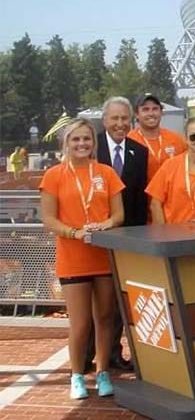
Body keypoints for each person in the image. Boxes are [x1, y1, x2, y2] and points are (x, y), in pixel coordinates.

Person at [39, 119, 124, 400]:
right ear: (66, 143)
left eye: (86, 139)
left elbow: (118, 215)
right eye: (76, 139)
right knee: (80, 323)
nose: (81, 144)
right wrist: (73, 233)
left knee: (104, 318)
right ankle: (76, 375)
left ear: (93, 142)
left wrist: (104, 225)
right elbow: (48, 218)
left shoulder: (106, 173)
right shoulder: (54, 174)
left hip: (103, 256)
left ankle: (102, 372)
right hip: (72, 257)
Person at [85, 96, 148, 373]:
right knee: (91, 303)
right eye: (115, 118)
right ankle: (86, 355)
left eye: (125, 119)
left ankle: (112, 353)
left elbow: (136, 200)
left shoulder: (139, 151)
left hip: (127, 240)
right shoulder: (89, 147)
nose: (120, 124)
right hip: (92, 239)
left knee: (119, 302)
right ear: (104, 120)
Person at [127, 94, 187, 183]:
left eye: (155, 109)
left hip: (170, 195)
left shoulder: (176, 139)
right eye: (145, 109)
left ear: (161, 112)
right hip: (142, 196)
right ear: (136, 114)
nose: (151, 114)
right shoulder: (129, 141)